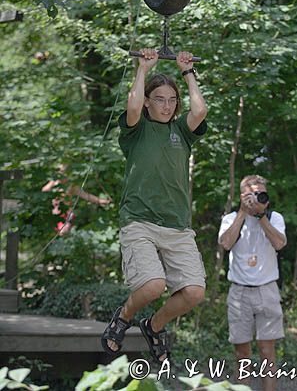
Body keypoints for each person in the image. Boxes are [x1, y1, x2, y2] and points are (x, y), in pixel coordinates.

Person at [101, 48, 208, 363]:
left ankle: (154, 325)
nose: (166, 105)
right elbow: (132, 105)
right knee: (153, 286)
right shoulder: (136, 130)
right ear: (148, 101)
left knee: (194, 293)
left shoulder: (181, 133)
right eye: (159, 99)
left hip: (177, 225)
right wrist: (143, 69)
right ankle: (124, 316)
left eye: (171, 100)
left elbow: (199, 110)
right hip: (140, 221)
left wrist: (187, 72)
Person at [218, 175, 286, 391]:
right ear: (243, 195)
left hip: (267, 290)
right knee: (242, 355)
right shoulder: (230, 219)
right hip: (239, 293)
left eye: (261, 193)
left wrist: (260, 216)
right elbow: (226, 243)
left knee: (267, 352)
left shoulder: (274, 217)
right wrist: (242, 212)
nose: (258, 197)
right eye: (253, 193)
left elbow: (279, 243)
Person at [42, 164, 111, 235]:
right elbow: (44, 190)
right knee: (62, 232)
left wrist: (100, 201)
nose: (63, 176)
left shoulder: (71, 187)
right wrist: (54, 180)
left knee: (65, 231)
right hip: (57, 214)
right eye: (61, 173)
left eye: (65, 173)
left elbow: (86, 196)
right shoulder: (54, 186)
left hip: (67, 215)